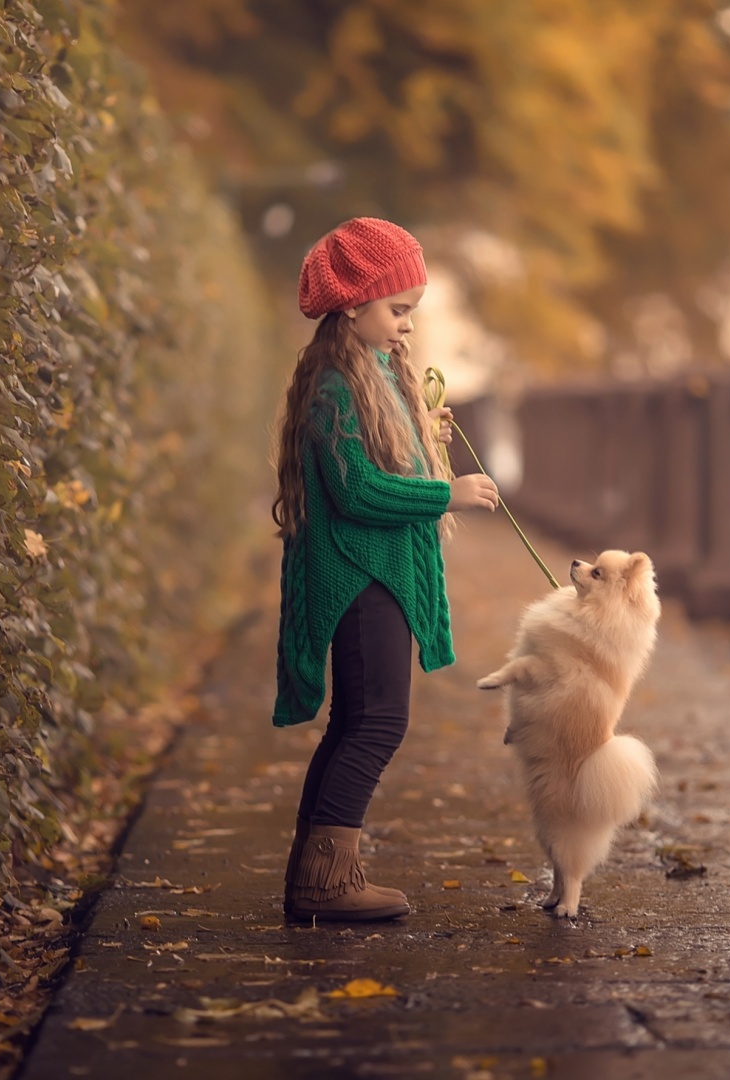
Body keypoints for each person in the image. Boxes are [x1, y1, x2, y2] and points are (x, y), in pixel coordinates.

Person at [270, 217, 501, 921]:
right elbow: (356, 489)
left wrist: (421, 434)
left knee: (357, 720)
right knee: (376, 723)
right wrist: (445, 493)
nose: (406, 326)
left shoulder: (369, 374)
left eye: (411, 312)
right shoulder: (334, 388)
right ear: (352, 304)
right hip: (361, 577)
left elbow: (376, 458)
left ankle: (316, 874)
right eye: (397, 310)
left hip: (380, 572)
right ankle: (327, 882)